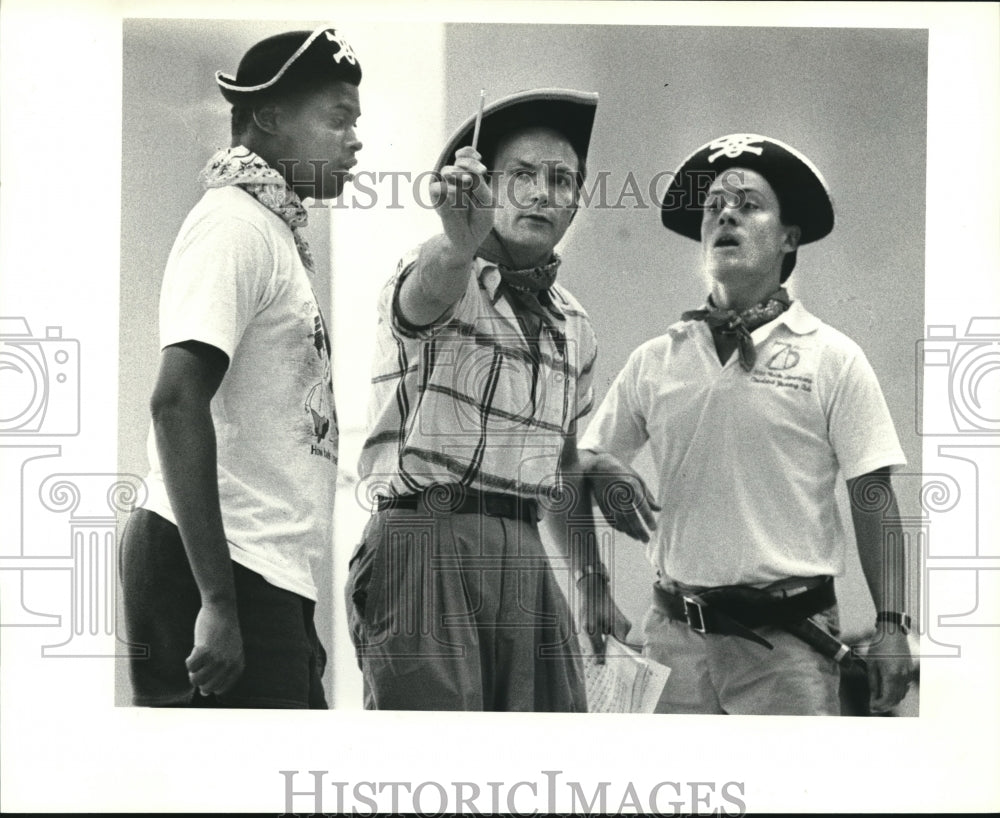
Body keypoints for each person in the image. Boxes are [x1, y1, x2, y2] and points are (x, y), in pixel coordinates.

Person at [579, 133, 913, 715]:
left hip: (790, 648)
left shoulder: (832, 357)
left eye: (749, 204)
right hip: (673, 643)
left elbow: (873, 493)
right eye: (713, 208)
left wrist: (891, 623)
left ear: (789, 238)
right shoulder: (656, 360)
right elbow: (576, 465)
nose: (726, 213)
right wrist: (600, 466)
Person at [346, 88, 628, 710]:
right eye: (521, 175)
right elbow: (424, 295)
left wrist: (590, 578)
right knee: (434, 763)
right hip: (426, 537)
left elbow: (562, 463)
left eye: (561, 180)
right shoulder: (440, 270)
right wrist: (456, 241)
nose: (540, 193)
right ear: (489, 187)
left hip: (524, 548)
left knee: (542, 757)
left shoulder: (575, 324)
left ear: (577, 201)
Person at [119, 26, 363, 708]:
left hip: (264, 567)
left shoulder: (272, 229)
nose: (355, 139)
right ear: (268, 118)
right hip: (222, 570)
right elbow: (175, 403)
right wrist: (217, 602)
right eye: (338, 117)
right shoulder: (234, 224)